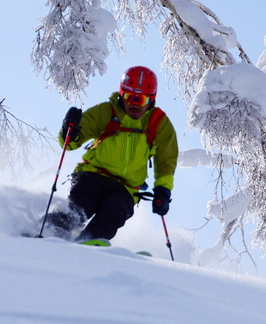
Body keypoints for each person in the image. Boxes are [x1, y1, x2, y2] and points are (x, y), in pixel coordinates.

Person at [45, 65, 178, 242]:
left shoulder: (158, 123)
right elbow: (68, 144)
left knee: (113, 212)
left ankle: (86, 245)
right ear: (122, 94)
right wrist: (70, 128)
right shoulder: (106, 112)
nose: (135, 105)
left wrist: (163, 191)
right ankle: (47, 232)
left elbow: (166, 161)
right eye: (130, 97)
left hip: (126, 189)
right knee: (80, 206)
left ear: (151, 100)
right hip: (93, 176)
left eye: (142, 100)